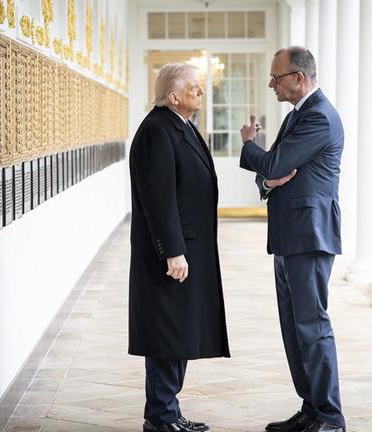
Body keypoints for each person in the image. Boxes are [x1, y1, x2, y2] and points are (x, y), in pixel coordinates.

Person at [239, 47, 346, 432]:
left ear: (299, 77)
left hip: (309, 237)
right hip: (289, 237)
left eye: (277, 77)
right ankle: (311, 409)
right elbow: (271, 173)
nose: (272, 84)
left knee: (312, 327)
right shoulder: (298, 115)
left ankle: (330, 417)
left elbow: (273, 163)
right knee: (293, 328)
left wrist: (249, 145)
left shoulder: (318, 116)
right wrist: (267, 178)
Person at [129, 63, 230, 432]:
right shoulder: (158, 131)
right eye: (194, 88)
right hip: (171, 254)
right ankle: (161, 416)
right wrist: (172, 250)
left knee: (178, 332)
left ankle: (168, 411)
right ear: (173, 96)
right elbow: (159, 199)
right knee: (166, 333)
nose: (200, 92)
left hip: (187, 248)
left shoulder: (179, 125)